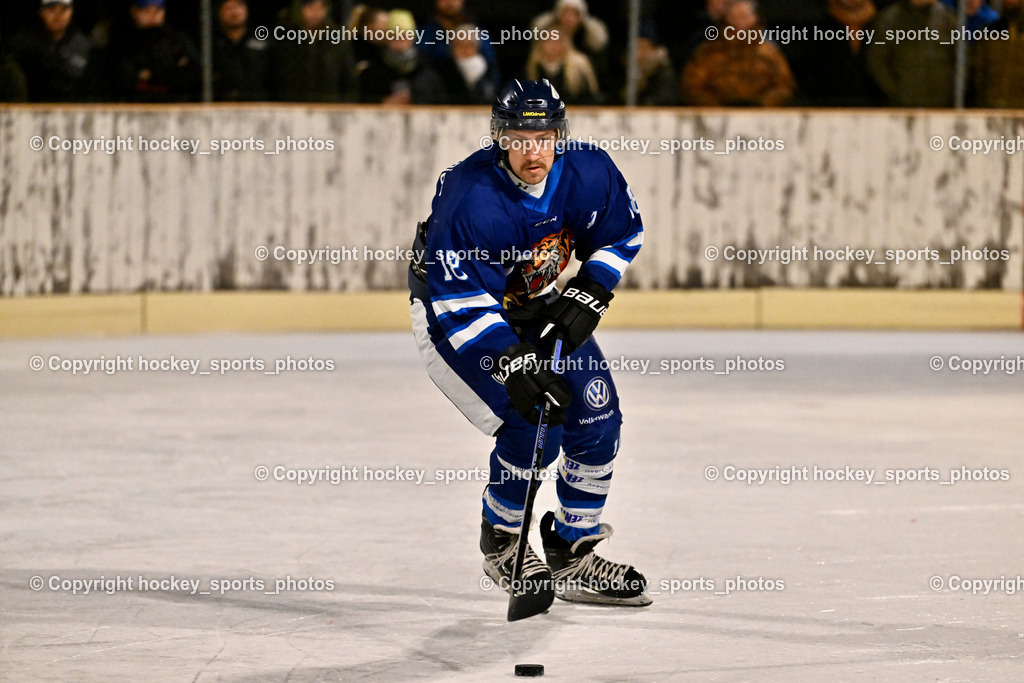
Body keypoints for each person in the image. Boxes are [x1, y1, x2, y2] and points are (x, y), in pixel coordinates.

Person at [407, 79, 651, 612]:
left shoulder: (589, 172)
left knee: (596, 417)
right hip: (454, 316)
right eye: (519, 137)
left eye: (543, 136)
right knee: (532, 418)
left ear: (560, 137)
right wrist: (513, 364)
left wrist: (590, 290)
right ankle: (503, 539)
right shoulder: (471, 199)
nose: (532, 150)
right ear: (500, 138)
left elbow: (622, 233)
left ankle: (571, 551)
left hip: (535, 302)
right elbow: (460, 305)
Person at [681, 0, 795, 106]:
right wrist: (714, 107)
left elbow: (784, 85)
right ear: (727, 19)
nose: (740, 22)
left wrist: (763, 105)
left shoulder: (769, 52)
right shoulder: (708, 51)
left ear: (755, 18)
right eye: (735, 17)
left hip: (760, 117)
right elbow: (692, 85)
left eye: (745, 16)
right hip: (716, 117)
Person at [866, 0, 957, 107]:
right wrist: (898, 92)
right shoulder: (889, 20)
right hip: (901, 107)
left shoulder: (948, 19)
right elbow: (877, 62)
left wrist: (949, 90)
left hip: (941, 106)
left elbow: (961, 62)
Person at [105, 0, 200, 102]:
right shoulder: (121, 41)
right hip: (134, 105)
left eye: (157, 10)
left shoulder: (177, 39)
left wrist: (151, 75)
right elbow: (123, 79)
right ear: (134, 11)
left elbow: (191, 75)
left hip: (174, 103)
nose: (152, 15)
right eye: (146, 10)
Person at [10, 0, 97, 102]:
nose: (57, 14)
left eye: (64, 9)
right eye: (51, 8)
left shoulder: (85, 46)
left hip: (75, 110)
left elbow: (92, 88)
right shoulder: (23, 46)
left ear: (72, 11)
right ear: (41, 11)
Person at [212, 0, 269, 101]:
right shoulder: (212, 45)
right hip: (221, 106)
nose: (234, 12)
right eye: (228, 7)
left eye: (239, 6)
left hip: (258, 106)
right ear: (219, 12)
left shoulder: (262, 41)